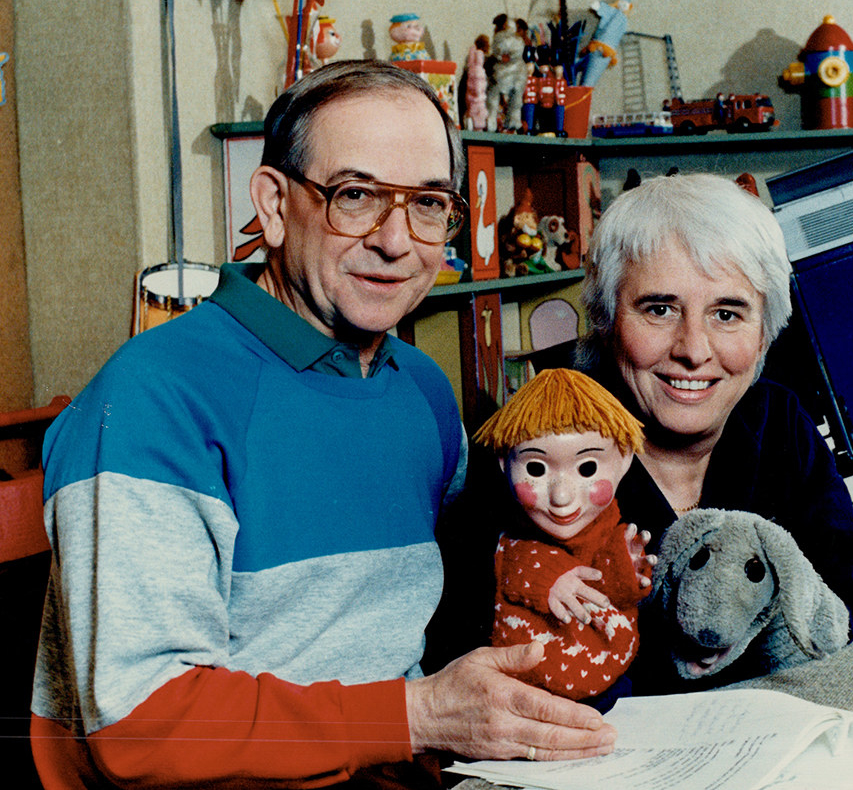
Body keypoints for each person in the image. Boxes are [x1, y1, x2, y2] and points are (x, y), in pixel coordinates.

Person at [30, 60, 617, 790]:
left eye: (429, 204)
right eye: (357, 195)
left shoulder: (425, 392)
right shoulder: (155, 396)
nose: (397, 240)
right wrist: (418, 715)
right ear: (274, 204)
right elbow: (141, 727)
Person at [428, 172, 853, 692]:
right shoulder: (536, 444)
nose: (694, 349)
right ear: (606, 317)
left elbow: (847, 602)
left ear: (765, 330)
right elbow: (472, 650)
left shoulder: (780, 421)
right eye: (659, 309)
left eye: (727, 314)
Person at [475, 368, 654, 703]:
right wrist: (550, 577)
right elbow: (514, 562)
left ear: (625, 459)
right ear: (504, 461)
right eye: (536, 469)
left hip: (613, 685)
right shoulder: (510, 543)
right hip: (528, 692)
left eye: (587, 468)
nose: (561, 496)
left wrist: (628, 571)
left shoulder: (615, 532)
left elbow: (612, 589)